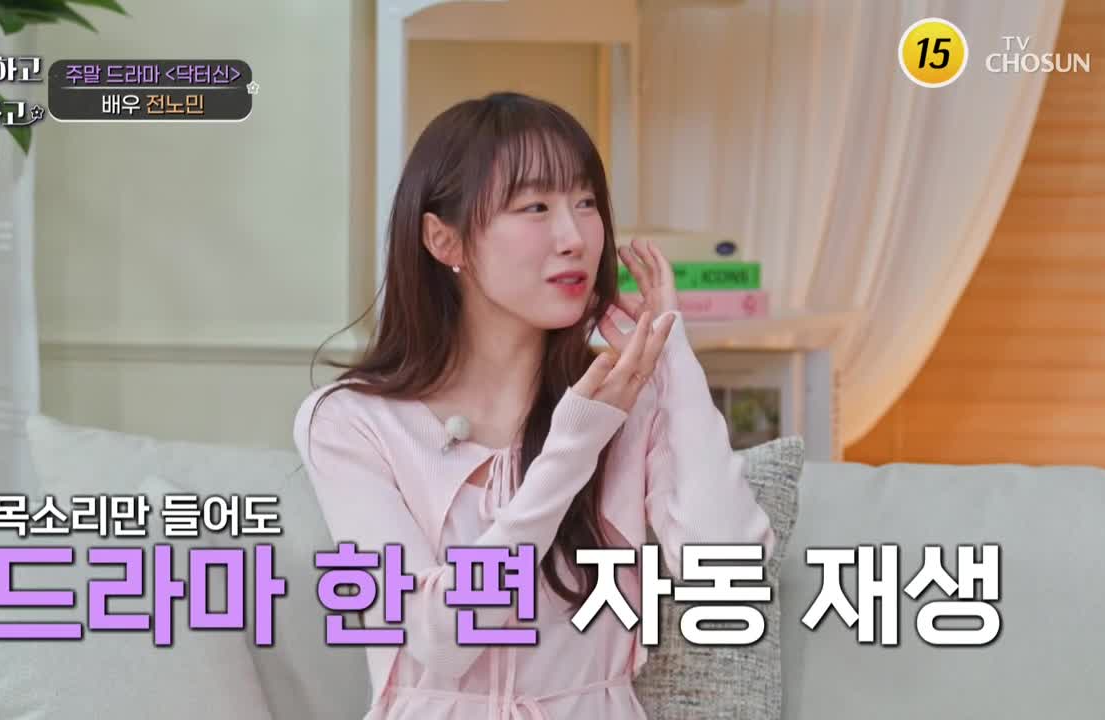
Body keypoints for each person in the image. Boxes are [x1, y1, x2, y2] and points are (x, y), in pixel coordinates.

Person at [294, 92, 775, 720]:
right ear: (444, 240)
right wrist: (574, 446)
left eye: (585, 202)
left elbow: (733, 573)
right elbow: (442, 639)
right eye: (535, 207)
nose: (574, 237)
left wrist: (671, 356)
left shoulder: (631, 399)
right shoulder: (352, 421)